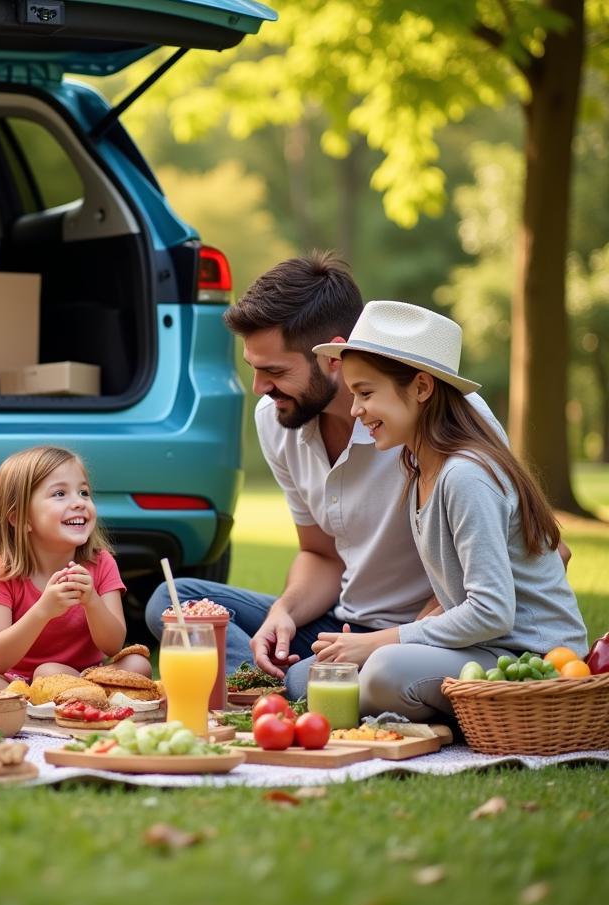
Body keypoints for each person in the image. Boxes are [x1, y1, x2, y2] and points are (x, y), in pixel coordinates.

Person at [144, 252, 511, 699]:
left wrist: (412, 632)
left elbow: (518, 551)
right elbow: (321, 554)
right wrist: (285, 612)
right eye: (254, 369)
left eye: (274, 371)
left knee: (314, 677)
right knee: (175, 600)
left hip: (425, 633)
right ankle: (272, 689)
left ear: (332, 357)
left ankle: (292, 688)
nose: (259, 387)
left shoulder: (444, 418)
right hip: (341, 622)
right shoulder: (276, 419)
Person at [310, 300, 587, 719]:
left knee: (382, 670)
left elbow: (493, 611)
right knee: (308, 677)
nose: (355, 410)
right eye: (353, 395)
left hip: (532, 656)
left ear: (421, 388)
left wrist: (381, 642)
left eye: (366, 393)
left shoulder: (465, 476)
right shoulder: (420, 467)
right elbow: (454, 596)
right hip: (479, 648)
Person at [0, 445, 152, 688]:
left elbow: (113, 646)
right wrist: (43, 610)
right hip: (21, 683)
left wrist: (92, 600)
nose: (79, 502)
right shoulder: (1, 570)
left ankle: (71, 693)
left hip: (89, 675)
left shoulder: (101, 563)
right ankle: (56, 695)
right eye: (60, 494)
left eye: (83, 492)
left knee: (137, 663)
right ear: (20, 518)